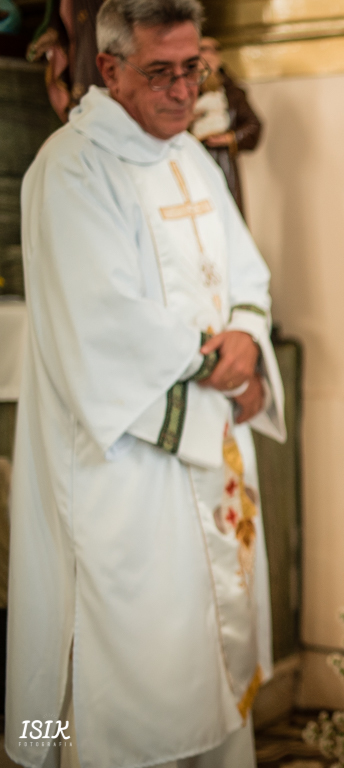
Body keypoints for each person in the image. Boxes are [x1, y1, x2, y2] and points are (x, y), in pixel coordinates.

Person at [6, 0, 286, 766]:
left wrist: (250, 346)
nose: (180, 91)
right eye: (159, 72)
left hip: (211, 454)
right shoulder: (71, 169)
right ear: (108, 68)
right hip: (127, 472)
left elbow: (246, 275)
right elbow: (101, 327)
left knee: (209, 668)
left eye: (190, 69)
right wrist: (223, 367)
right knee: (130, 679)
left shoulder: (188, 156)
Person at [191, 36, 262, 218]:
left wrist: (229, 138)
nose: (210, 55)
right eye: (204, 49)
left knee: (227, 213)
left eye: (215, 50)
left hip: (223, 160)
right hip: (194, 158)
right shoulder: (185, 89)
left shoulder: (232, 92)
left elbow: (253, 125)